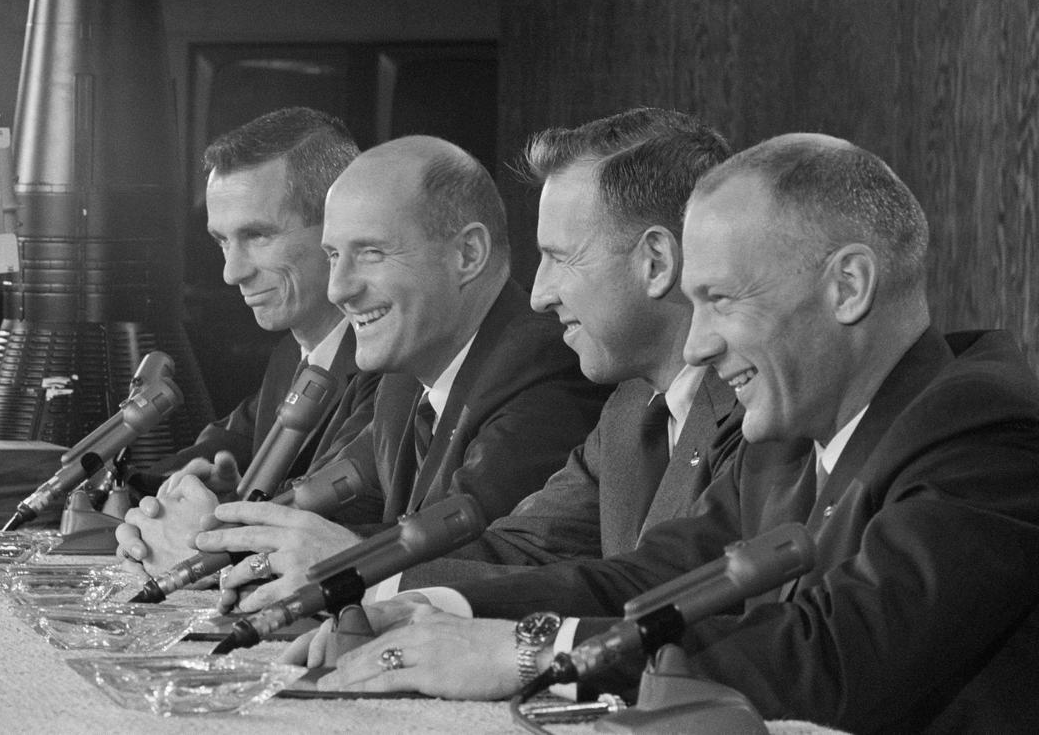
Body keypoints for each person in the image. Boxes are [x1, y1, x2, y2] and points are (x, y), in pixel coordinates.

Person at [296, 133, 1039, 735]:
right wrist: (438, 612)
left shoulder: (985, 432)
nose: (700, 343)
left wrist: (530, 652)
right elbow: (644, 579)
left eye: (720, 300)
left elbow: (832, 658)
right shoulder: (784, 435)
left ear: (848, 286)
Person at [118, 135, 609, 607]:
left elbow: (469, 552)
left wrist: (220, 550)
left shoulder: (543, 368)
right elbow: (327, 506)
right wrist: (208, 522)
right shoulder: (403, 378)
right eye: (334, 256)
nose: (338, 289)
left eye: (371, 253)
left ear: (468, 255)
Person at [396, 108, 743, 591]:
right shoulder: (627, 405)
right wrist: (350, 574)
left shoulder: (762, 410)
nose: (539, 294)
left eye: (560, 258)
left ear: (656, 262)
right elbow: (520, 549)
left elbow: (655, 588)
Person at [118, 109, 378, 562]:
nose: (231, 271)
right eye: (222, 240)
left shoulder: (390, 364)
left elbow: (336, 532)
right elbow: (222, 446)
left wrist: (210, 528)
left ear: (341, 226)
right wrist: (152, 504)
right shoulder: (291, 355)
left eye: (257, 236)